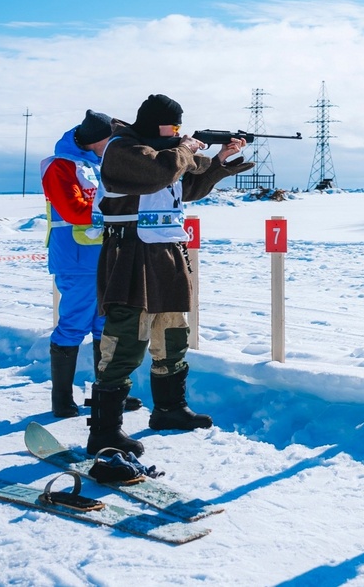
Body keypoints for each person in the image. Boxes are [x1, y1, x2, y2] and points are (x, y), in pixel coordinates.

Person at [89, 94, 252, 456]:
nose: (177, 132)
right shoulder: (124, 149)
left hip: (166, 253)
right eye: (172, 126)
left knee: (172, 333)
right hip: (131, 254)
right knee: (125, 342)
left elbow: (182, 187)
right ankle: (103, 432)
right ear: (153, 123)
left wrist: (219, 163)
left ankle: (169, 410)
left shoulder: (163, 154)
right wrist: (189, 146)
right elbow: (160, 171)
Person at [40, 110, 142, 417]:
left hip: (106, 257)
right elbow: (73, 209)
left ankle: (106, 396)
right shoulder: (59, 165)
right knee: (72, 326)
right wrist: (118, 206)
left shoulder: (98, 165)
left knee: (105, 326)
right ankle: (61, 400)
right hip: (76, 259)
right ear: (97, 139)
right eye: (110, 140)